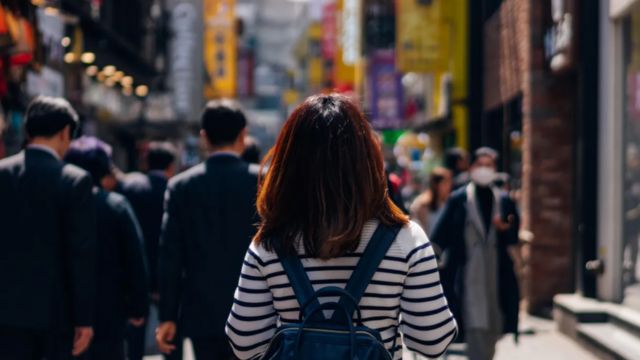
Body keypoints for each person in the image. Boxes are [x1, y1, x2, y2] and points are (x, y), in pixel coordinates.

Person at [225, 94, 457, 360]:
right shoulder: (406, 239)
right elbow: (433, 341)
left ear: (288, 164)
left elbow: (244, 343)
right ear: (368, 161)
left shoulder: (268, 243)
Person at [156, 99, 259, 359]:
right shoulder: (264, 181)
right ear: (243, 135)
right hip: (257, 307)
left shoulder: (181, 186)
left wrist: (168, 315)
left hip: (202, 308)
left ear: (204, 137)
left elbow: (170, 255)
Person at [0, 96, 96, 359]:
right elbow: (81, 254)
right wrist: (84, 319)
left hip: (5, 312)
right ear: (65, 133)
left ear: (28, 130)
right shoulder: (74, 181)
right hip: (56, 313)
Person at [430, 147, 521, 360]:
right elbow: (439, 236)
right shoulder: (459, 199)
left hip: (496, 277)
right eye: (480, 165)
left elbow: (514, 238)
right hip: (467, 274)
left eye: (489, 166)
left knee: (493, 327)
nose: (484, 170)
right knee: (474, 326)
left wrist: (505, 229)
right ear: (471, 168)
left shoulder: (504, 201)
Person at [64, 136, 150, 360]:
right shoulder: (115, 205)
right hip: (110, 310)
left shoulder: (59, 203)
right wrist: (138, 307)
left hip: (64, 311)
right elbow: (135, 259)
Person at [120, 141, 178, 360]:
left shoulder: (129, 188)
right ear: (170, 167)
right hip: (168, 275)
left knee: (135, 333)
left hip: (134, 271)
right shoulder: (175, 189)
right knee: (171, 338)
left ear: (146, 163)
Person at [409, 167, 453, 235]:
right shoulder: (421, 205)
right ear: (435, 185)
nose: (448, 187)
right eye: (445, 183)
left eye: (449, 183)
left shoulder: (451, 203)